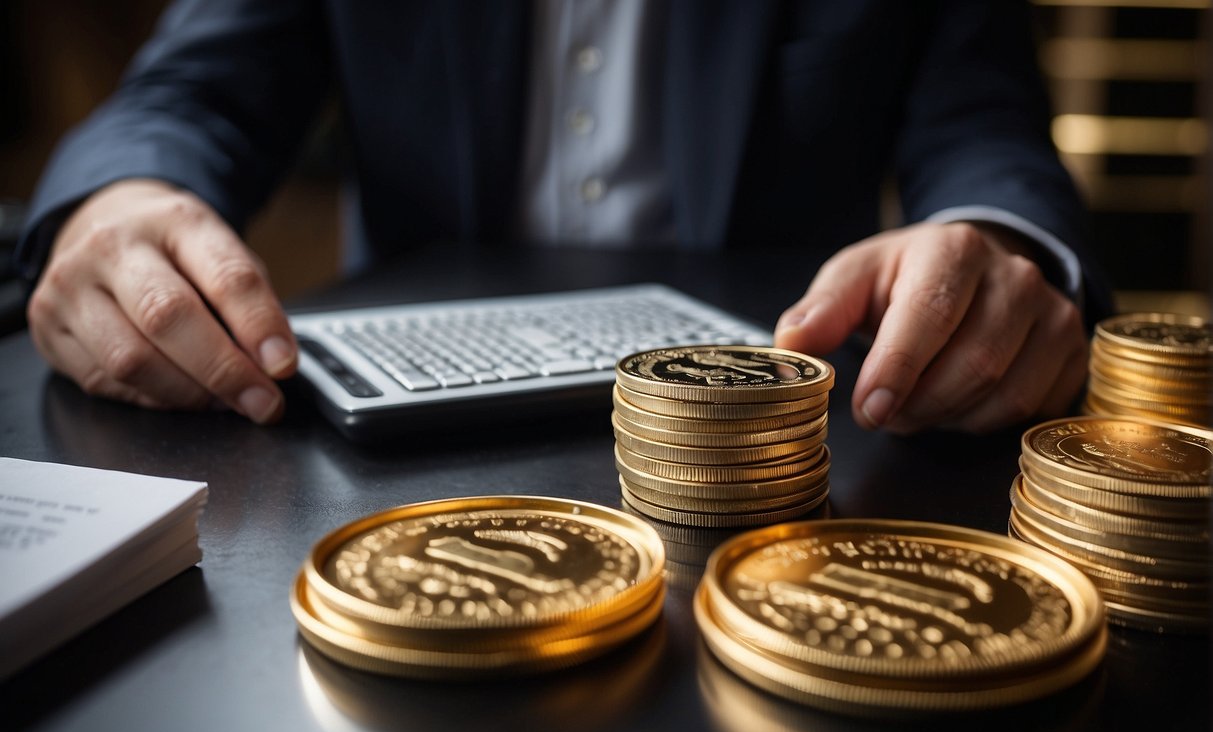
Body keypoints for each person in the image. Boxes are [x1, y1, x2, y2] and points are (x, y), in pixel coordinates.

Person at [14, 1, 1114, 434]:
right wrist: (118, 201)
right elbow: (190, 94)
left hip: (789, 431)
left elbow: (984, 127)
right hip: (385, 437)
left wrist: (999, 244)